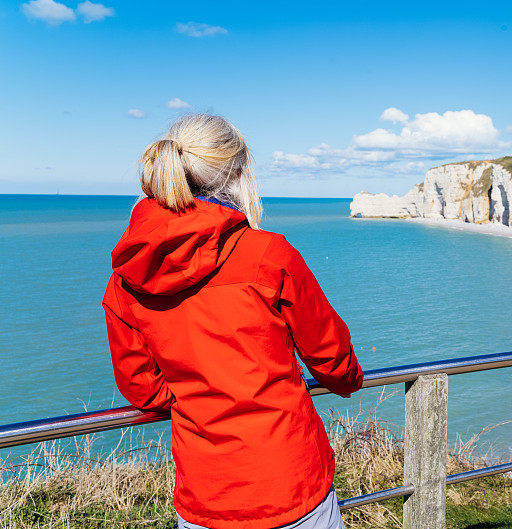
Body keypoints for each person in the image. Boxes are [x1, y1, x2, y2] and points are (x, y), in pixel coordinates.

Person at [103, 114, 363, 529]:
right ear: (238, 172)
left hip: (207, 490)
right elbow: (330, 356)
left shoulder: (127, 276)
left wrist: (202, 400)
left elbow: (143, 390)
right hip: (290, 480)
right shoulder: (269, 254)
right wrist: (348, 380)